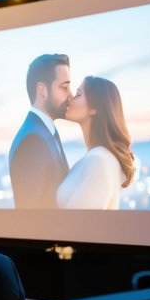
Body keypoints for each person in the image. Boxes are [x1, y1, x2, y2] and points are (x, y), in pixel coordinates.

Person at [56, 75, 137, 210]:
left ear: (95, 108)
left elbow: (76, 227)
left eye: (78, 94)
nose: (70, 98)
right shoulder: (98, 158)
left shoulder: (98, 161)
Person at [8, 53, 72, 208]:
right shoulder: (33, 141)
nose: (70, 95)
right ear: (42, 90)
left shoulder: (44, 132)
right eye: (64, 87)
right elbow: (32, 216)